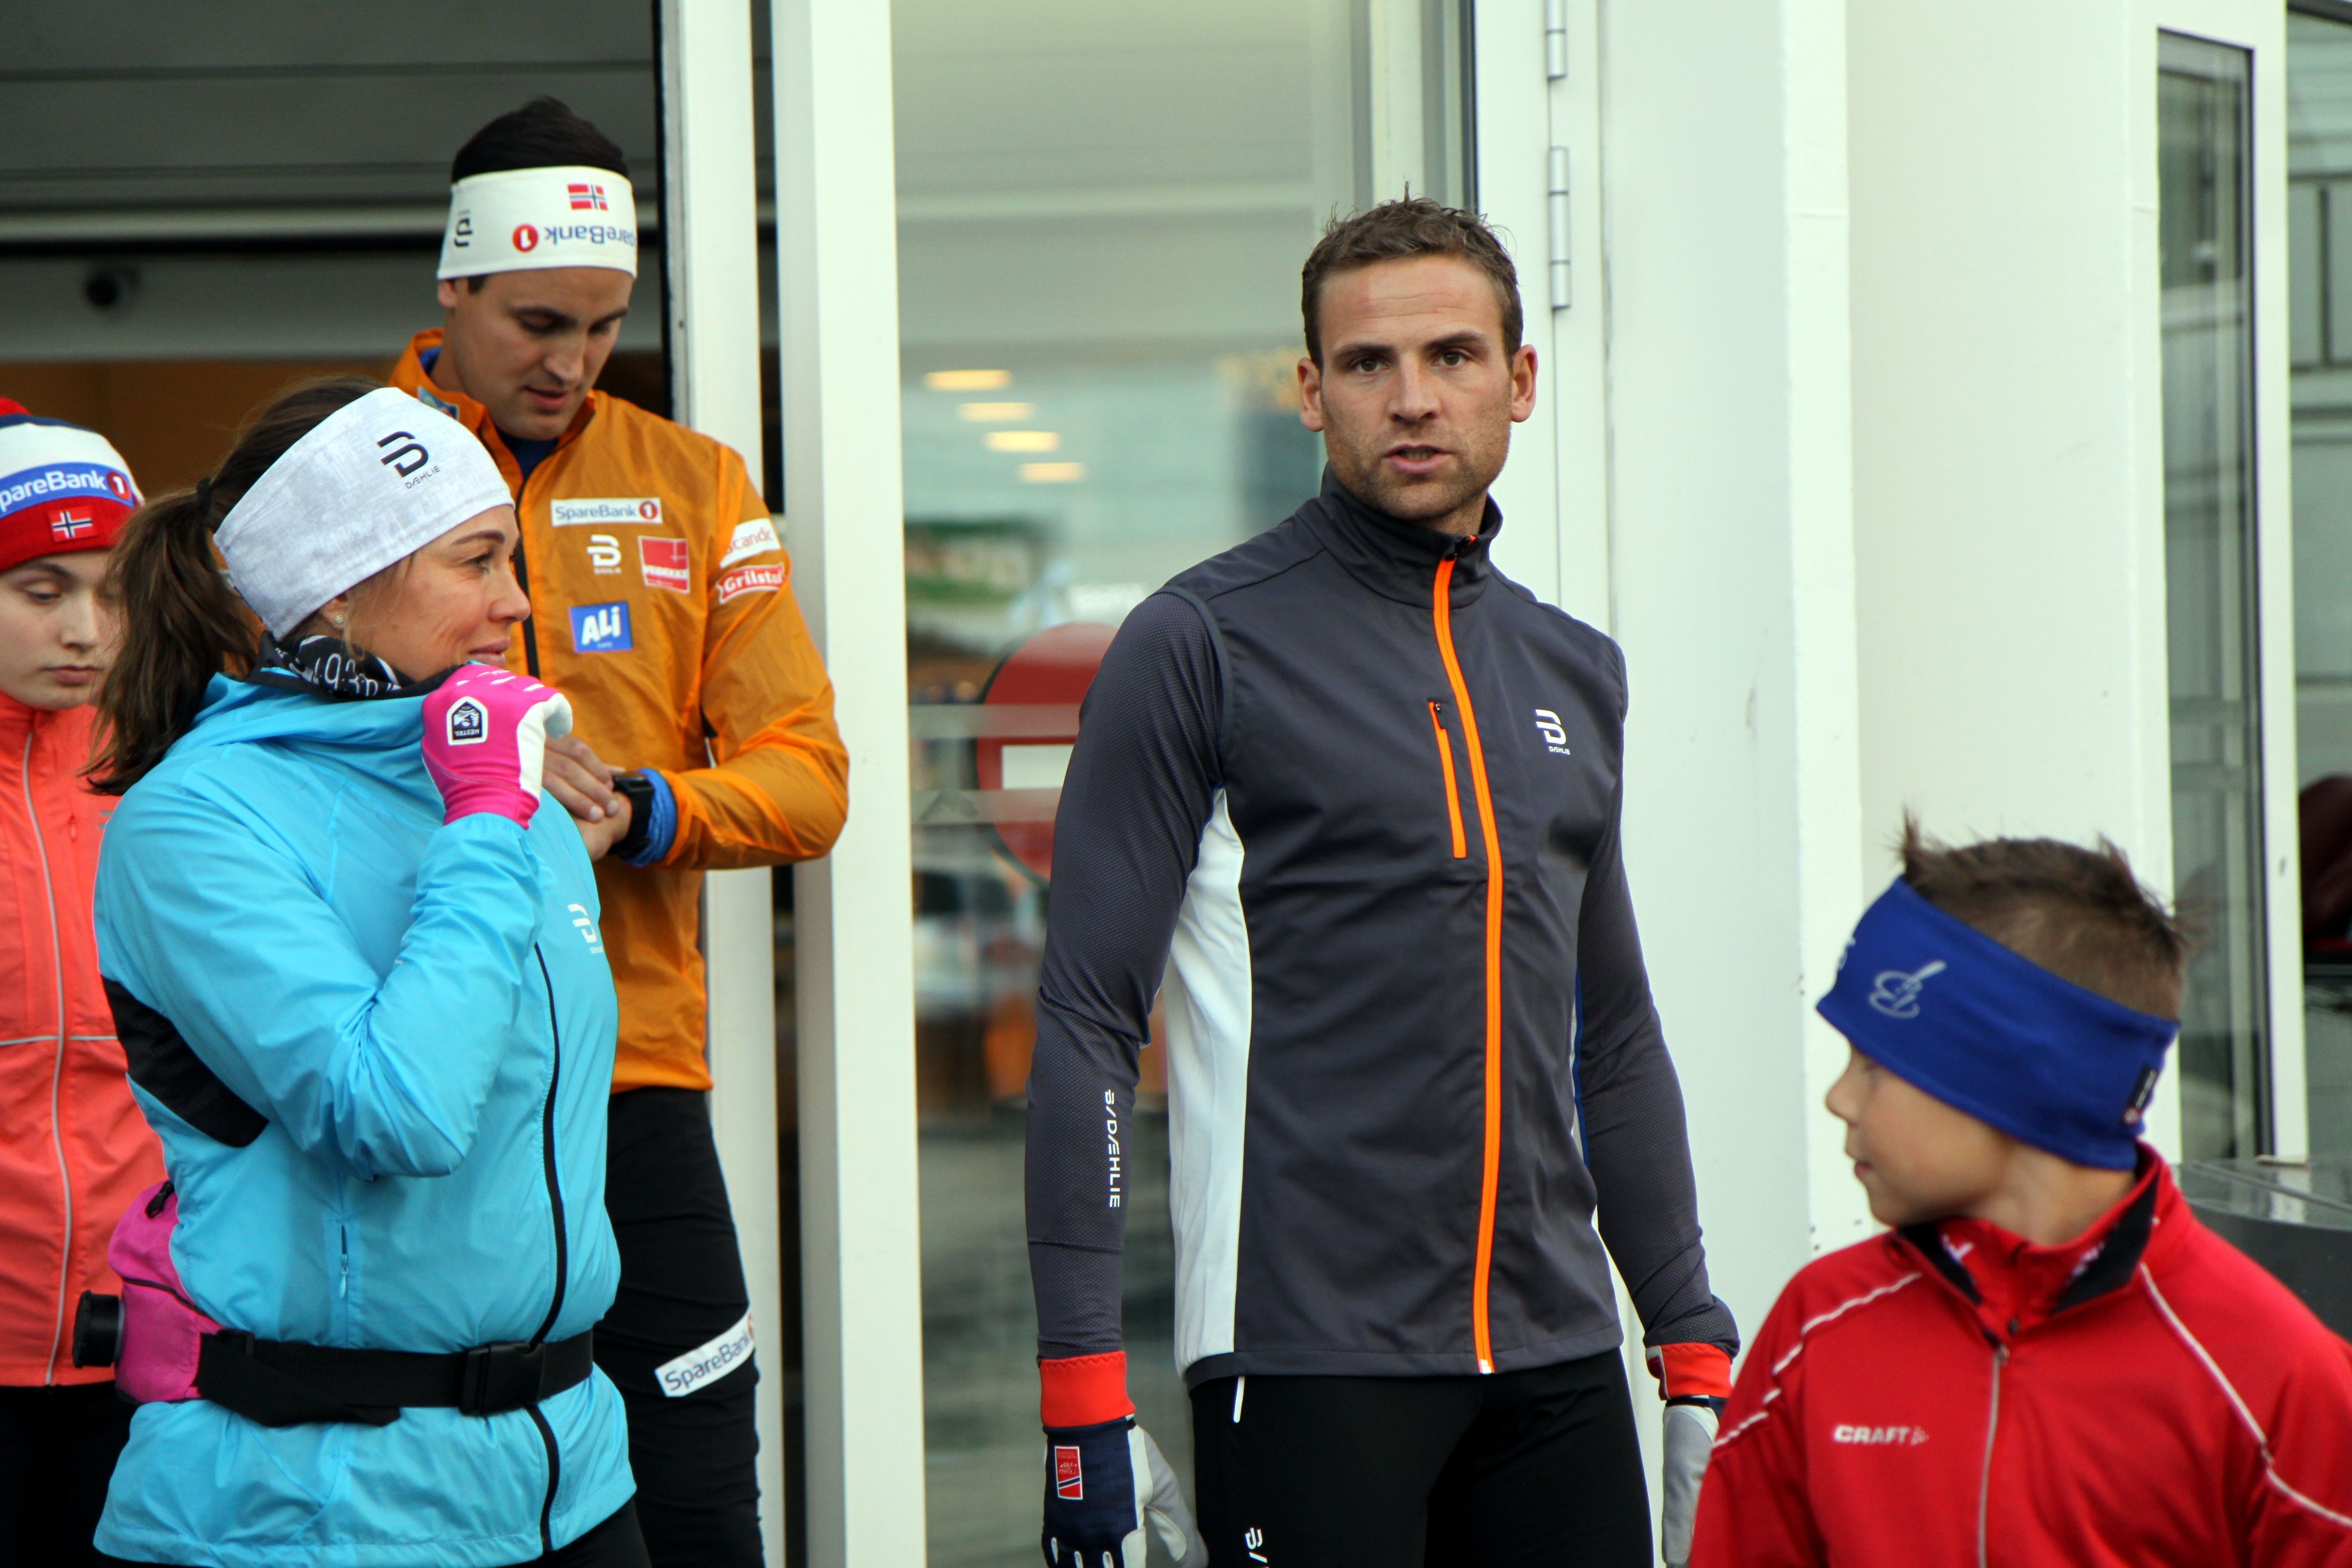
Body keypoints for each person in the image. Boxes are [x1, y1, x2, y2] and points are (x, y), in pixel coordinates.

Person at [1025, 197, 1735, 1568]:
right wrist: (1080, 1384)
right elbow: (1087, 1020)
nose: (1412, 399)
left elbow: (1614, 1028)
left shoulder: (1573, 669)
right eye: (1368, 364)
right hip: (1306, 1354)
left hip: (1556, 1354)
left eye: (1453, 356)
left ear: (1520, 380)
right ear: (1310, 392)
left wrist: (1688, 1328)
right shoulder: (1199, 644)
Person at [390, 98, 846, 1566]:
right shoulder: (346, 467)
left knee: (702, 1494)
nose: (571, 361)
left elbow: (810, 781)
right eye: (536, 321)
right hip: (414, 1072)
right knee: (438, 1496)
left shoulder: (693, 483)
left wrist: (645, 810)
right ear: (453, 284)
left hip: (633, 1075)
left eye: (601, 326)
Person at [84, 378, 644, 1567]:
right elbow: (398, 1112)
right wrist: (482, 821)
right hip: (323, 1507)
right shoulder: (197, 820)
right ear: (336, 587)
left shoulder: (510, 788)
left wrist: (495, 804)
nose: (516, 601)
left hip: (573, 1478)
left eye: (511, 559)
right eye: (476, 562)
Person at [1690, 825, 2352, 1567]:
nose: (1839, 1099)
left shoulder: (2278, 1374)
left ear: (2014, 1077)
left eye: (1874, 1064)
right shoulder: (1818, 1328)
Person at [0, 401, 165, 1565]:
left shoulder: (168, 766)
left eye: (112, 592)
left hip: (143, 1331)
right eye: (40, 589)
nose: (85, 630)